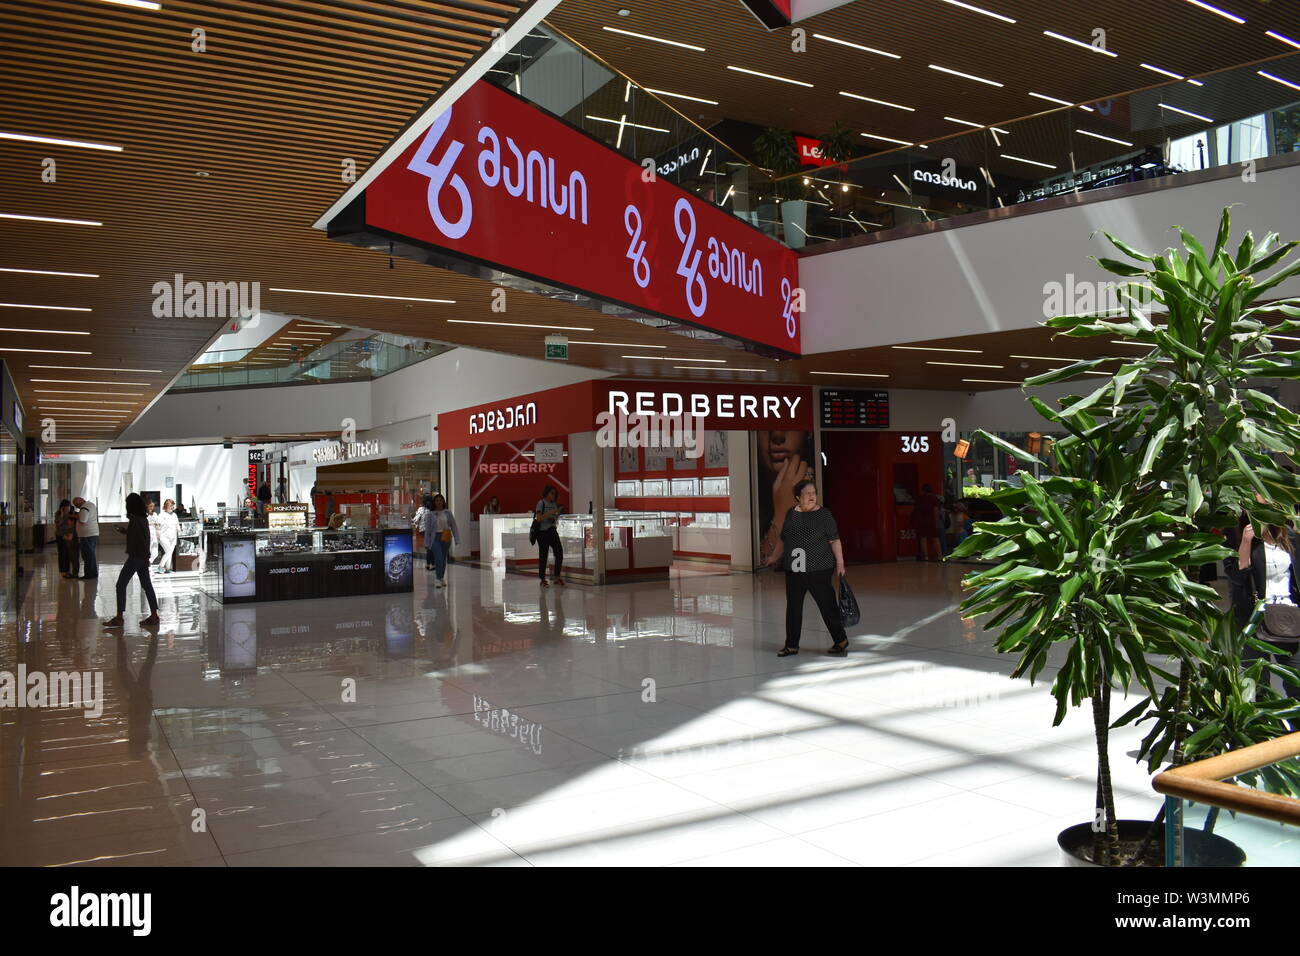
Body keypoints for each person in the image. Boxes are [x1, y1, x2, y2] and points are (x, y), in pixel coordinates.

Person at [763, 479, 849, 657]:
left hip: (819, 568)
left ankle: (840, 639)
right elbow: (783, 539)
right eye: (807, 493)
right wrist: (773, 556)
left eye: (814, 493)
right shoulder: (790, 514)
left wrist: (840, 563)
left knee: (827, 606)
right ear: (797, 497)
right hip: (795, 569)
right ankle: (791, 645)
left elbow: (834, 540)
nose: (812, 496)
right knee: (793, 607)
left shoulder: (824, 515)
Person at [1226, 516, 1300, 701]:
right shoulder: (1236, 535)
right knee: (1259, 687)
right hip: (1253, 620)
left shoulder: (1289, 536)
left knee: (1296, 682)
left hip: (1289, 616)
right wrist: (1245, 541)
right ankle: (1266, 729)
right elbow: (1237, 577)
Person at [756, 430, 815, 566]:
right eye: (765, 425)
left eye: (789, 424)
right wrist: (782, 516)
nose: (777, 435)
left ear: (808, 432)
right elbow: (761, 565)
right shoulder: (749, 498)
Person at [104, 493, 160, 628]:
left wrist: (146, 556)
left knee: (121, 584)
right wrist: (126, 532)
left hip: (136, 557)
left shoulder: (135, 518)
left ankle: (119, 617)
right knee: (147, 586)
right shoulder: (141, 518)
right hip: (141, 556)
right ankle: (154, 615)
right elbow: (142, 535)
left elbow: (144, 538)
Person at [422, 493, 460, 588]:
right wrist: (426, 543)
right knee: (438, 558)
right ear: (434, 502)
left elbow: (453, 526)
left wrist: (457, 539)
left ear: (443, 502)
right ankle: (438, 579)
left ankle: (441, 577)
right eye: (437, 500)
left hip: (446, 535)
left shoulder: (448, 513)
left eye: (441, 500)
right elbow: (428, 530)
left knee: (443, 559)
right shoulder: (430, 514)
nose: (439, 502)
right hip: (435, 537)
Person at [534, 484, 564, 587]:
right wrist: (550, 513)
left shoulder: (554, 504)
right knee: (543, 555)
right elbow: (538, 518)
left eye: (554, 494)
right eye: (551, 493)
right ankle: (542, 579)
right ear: (546, 493)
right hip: (542, 533)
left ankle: (557, 576)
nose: (553, 495)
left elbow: (553, 518)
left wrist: (556, 516)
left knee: (559, 552)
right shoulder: (541, 503)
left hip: (552, 530)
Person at [913, 483, 943, 562]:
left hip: (922, 521)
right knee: (935, 538)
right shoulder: (934, 498)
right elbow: (935, 510)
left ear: (923, 490)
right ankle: (940, 556)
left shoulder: (920, 498)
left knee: (923, 538)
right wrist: (936, 521)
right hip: (932, 521)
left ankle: (926, 557)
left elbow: (916, 509)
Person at [72, 496, 99, 579]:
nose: (76, 506)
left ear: (81, 501)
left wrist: (75, 516)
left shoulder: (84, 508)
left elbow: (83, 520)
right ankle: (93, 573)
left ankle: (89, 575)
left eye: (76, 504)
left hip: (87, 535)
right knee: (91, 555)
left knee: (87, 556)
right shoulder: (91, 504)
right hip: (92, 533)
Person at [154, 498, 181, 574]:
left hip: (173, 537)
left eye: (173, 505)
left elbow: (177, 524)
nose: (172, 507)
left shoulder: (174, 515)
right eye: (170, 505)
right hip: (164, 537)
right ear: (166, 506)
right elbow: (157, 525)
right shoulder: (161, 515)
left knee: (170, 552)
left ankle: (168, 568)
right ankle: (160, 566)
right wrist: (158, 533)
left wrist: (179, 529)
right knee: (168, 551)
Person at [54, 499, 80, 579]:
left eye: (68, 506)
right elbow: (57, 524)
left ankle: (68, 571)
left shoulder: (72, 513)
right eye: (65, 507)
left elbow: (75, 523)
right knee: (62, 553)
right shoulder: (58, 514)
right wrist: (62, 515)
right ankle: (63, 571)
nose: (67, 508)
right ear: (62, 507)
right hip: (61, 535)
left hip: (70, 535)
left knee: (69, 554)